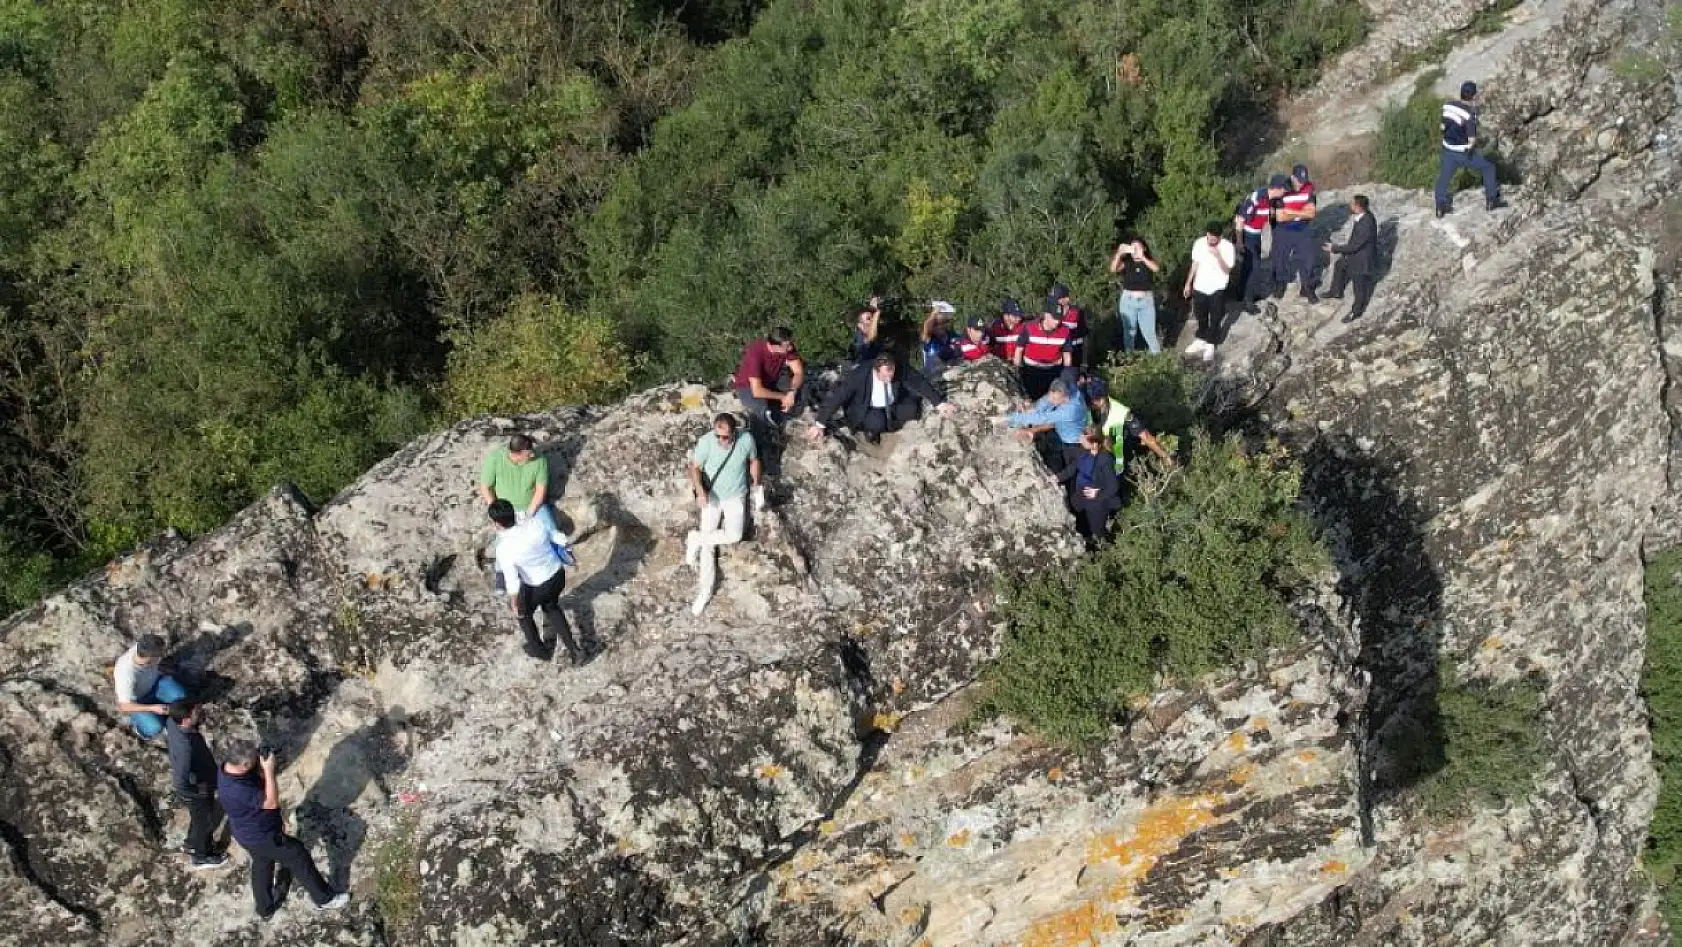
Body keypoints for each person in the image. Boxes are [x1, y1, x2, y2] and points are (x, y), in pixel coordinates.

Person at [217, 739, 349, 919]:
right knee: (297, 854)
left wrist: (260, 767)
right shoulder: (238, 789)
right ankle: (324, 899)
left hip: (245, 833)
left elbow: (255, 783)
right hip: (263, 836)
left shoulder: (226, 768)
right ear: (245, 764)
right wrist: (269, 770)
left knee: (262, 863)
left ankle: (265, 907)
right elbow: (271, 803)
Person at [685, 414, 765, 617]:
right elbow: (694, 467)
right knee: (708, 548)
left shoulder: (746, 439)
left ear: (734, 432)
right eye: (717, 435)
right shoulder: (706, 442)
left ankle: (696, 537)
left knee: (735, 535)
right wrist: (700, 491)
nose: (720, 440)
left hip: (736, 495)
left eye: (725, 437)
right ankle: (705, 591)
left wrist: (757, 486)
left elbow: (754, 460)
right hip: (712, 497)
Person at [489, 499, 581, 662]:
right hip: (557, 575)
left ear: (497, 524)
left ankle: (540, 651)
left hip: (537, 586)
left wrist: (514, 602)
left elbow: (512, 580)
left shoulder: (504, 548)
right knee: (551, 606)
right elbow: (557, 536)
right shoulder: (535, 523)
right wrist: (570, 555)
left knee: (523, 615)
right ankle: (575, 650)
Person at [809, 354, 957, 443]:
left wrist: (939, 403)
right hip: (867, 408)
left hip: (892, 403)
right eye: (885, 375)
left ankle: (891, 428)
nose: (889, 378)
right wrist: (820, 423)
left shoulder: (899, 368)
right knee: (876, 423)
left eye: (891, 374)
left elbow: (919, 382)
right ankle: (871, 432)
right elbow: (838, 396)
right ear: (875, 369)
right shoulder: (860, 374)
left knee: (912, 410)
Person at [166, 702, 228, 870]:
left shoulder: (172, 722)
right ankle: (201, 855)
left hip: (200, 781)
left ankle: (191, 843)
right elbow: (180, 781)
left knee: (199, 818)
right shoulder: (185, 747)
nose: (199, 713)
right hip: (197, 789)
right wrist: (197, 791)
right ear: (186, 720)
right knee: (205, 822)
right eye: (195, 713)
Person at [1435, 81, 1504, 218]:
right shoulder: (1469, 115)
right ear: (1474, 96)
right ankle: (1491, 200)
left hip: (1447, 150)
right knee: (1488, 167)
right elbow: (1471, 140)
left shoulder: (1448, 106)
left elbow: (1442, 127)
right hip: (1463, 152)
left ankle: (1440, 206)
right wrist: (1482, 145)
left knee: (1444, 178)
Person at [1083, 377, 1173, 473]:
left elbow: (1145, 436)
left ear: (1100, 400)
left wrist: (1164, 456)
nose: (1087, 404)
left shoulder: (1121, 413)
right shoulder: (1090, 407)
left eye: (1090, 401)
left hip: (1113, 456)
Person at [1054, 426, 1122, 544]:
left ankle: (1109, 550)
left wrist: (1098, 492)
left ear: (1094, 444)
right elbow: (1072, 469)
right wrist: (1056, 478)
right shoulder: (1083, 453)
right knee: (1082, 526)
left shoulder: (1105, 459)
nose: (1080, 440)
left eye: (1083, 439)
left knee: (1098, 531)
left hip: (1097, 503)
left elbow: (1113, 486)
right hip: (1081, 497)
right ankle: (1089, 543)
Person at [114, 634, 186, 740]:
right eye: (159, 655)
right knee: (154, 727)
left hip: (155, 685)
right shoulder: (126, 673)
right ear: (150, 658)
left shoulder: (142, 649)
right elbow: (124, 706)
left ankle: (162, 711)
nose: (162, 656)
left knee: (181, 695)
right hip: (138, 701)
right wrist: (152, 708)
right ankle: (136, 724)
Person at [1182, 223, 1237, 361]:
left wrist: (1218, 256)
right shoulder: (1199, 243)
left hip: (1217, 287)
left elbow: (1227, 270)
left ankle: (1211, 343)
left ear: (1220, 235)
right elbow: (1195, 264)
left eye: (1216, 236)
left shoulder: (1228, 247)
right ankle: (1201, 339)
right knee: (1201, 315)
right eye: (1210, 235)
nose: (1212, 239)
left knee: (1216, 317)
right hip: (1200, 286)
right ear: (1206, 233)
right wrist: (1188, 283)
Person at [1232, 176, 1288, 310]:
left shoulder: (1274, 200)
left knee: (1247, 266)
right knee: (1255, 268)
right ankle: (1248, 300)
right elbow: (1240, 219)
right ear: (1276, 188)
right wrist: (1240, 242)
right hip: (1247, 235)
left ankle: (1241, 293)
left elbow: (1271, 218)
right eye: (1284, 189)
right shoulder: (1256, 198)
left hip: (1257, 235)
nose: (1285, 192)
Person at [1323, 194, 1380, 325]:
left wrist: (1335, 248)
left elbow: (1355, 246)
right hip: (1356, 255)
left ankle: (1356, 311)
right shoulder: (1364, 216)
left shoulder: (1367, 223)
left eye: (1352, 204)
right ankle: (1336, 291)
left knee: (1359, 288)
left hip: (1362, 261)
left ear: (1358, 207)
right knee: (1340, 265)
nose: (1350, 205)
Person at [1006, 378, 1087, 469]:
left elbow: (1044, 418)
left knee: (1063, 464)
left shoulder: (1071, 410)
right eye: (1052, 396)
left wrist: (1013, 419)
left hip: (1070, 441)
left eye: (1055, 399)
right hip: (1060, 426)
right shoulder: (1066, 387)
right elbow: (1046, 400)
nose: (1052, 400)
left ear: (1066, 398)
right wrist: (1032, 408)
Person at [734, 327, 806, 428]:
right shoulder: (756, 353)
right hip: (748, 386)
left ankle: (789, 415)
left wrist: (792, 392)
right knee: (764, 410)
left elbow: (798, 372)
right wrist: (783, 397)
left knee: (798, 394)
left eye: (790, 344)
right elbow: (757, 391)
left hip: (772, 379)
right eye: (787, 346)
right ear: (775, 346)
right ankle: (773, 430)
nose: (790, 348)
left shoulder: (788, 348)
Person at [479, 434, 551, 527]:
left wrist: (529, 513)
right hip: (507, 510)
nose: (533, 454)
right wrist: (497, 511)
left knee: (549, 529)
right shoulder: (494, 459)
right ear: (517, 453)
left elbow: (541, 490)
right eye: (529, 453)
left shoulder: (540, 460)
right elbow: (486, 487)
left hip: (534, 507)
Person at [1271, 165, 1320, 303]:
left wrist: (1291, 212)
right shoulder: (1282, 188)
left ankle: (1307, 287)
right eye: (1298, 180)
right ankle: (1280, 283)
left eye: (1303, 180)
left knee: (1308, 258)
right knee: (1280, 258)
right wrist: (1301, 213)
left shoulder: (1309, 188)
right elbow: (1280, 217)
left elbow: (1311, 213)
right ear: (1292, 177)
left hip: (1302, 228)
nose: (1301, 184)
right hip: (1283, 230)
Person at [1108, 238, 1161, 353]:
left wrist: (1142, 257)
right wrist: (1119, 253)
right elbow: (1113, 269)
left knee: (1149, 333)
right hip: (1128, 301)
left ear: (1144, 248)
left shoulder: (1148, 261)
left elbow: (1156, 268)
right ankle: (1129, 359)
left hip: (1146, 301)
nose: (1135, 250)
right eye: (1133, 248)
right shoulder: (1127, 262)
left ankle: (1158, 359)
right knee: (1129, 332)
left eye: (1138, 247)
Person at [1015, 308, 1073, 399]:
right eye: (1054, 318)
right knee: (1032, 401)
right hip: (1031, 372)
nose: (1057, 322)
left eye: (1060, 318)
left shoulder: (1065, 331)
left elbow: (1067, 354)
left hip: (1054, 373)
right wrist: (1017, 370)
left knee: (1052, 402)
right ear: (1046, 315)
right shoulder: (1029, 327)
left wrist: (1066, 374)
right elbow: (1019, 350)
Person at [1049, 283, 1088, 368]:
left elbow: (1085, 338)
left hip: (1075, 355)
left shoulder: (1077, 313)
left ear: (1066, 299)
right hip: (1055, 356)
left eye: (1057, 299)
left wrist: (1084, 363)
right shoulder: (1050, 313)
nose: (1054, 302)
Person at [920, 301, 960, 376]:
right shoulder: (929, 339)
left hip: (950, 373)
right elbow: (926, 328)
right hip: (932, 376)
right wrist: (933, 314)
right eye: (936, 324)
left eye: (943, 323)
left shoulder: (951, 335)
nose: (940, 326)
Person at [851, 297, 884, 362]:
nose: (873, 320)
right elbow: (871, 337)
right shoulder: (859, 336)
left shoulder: (878, 330)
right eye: (868, 318)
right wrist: (876, 313)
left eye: (872, 317)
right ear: (860, 325)